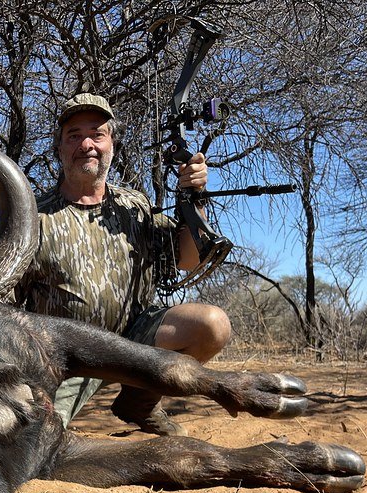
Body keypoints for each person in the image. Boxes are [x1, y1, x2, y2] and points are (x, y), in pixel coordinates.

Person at [12, 93, 231, 435]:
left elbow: (188, 260)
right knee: (33, 437)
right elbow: (7, 306)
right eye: (74, 135)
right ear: (59, 148)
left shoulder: (135, 205)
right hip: (67, 355)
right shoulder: (31, 217)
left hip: (134, 343)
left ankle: (139, 403)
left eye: (97, 134)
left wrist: (193, 196)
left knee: (212, 324)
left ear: (111, 144)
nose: (86, 144)